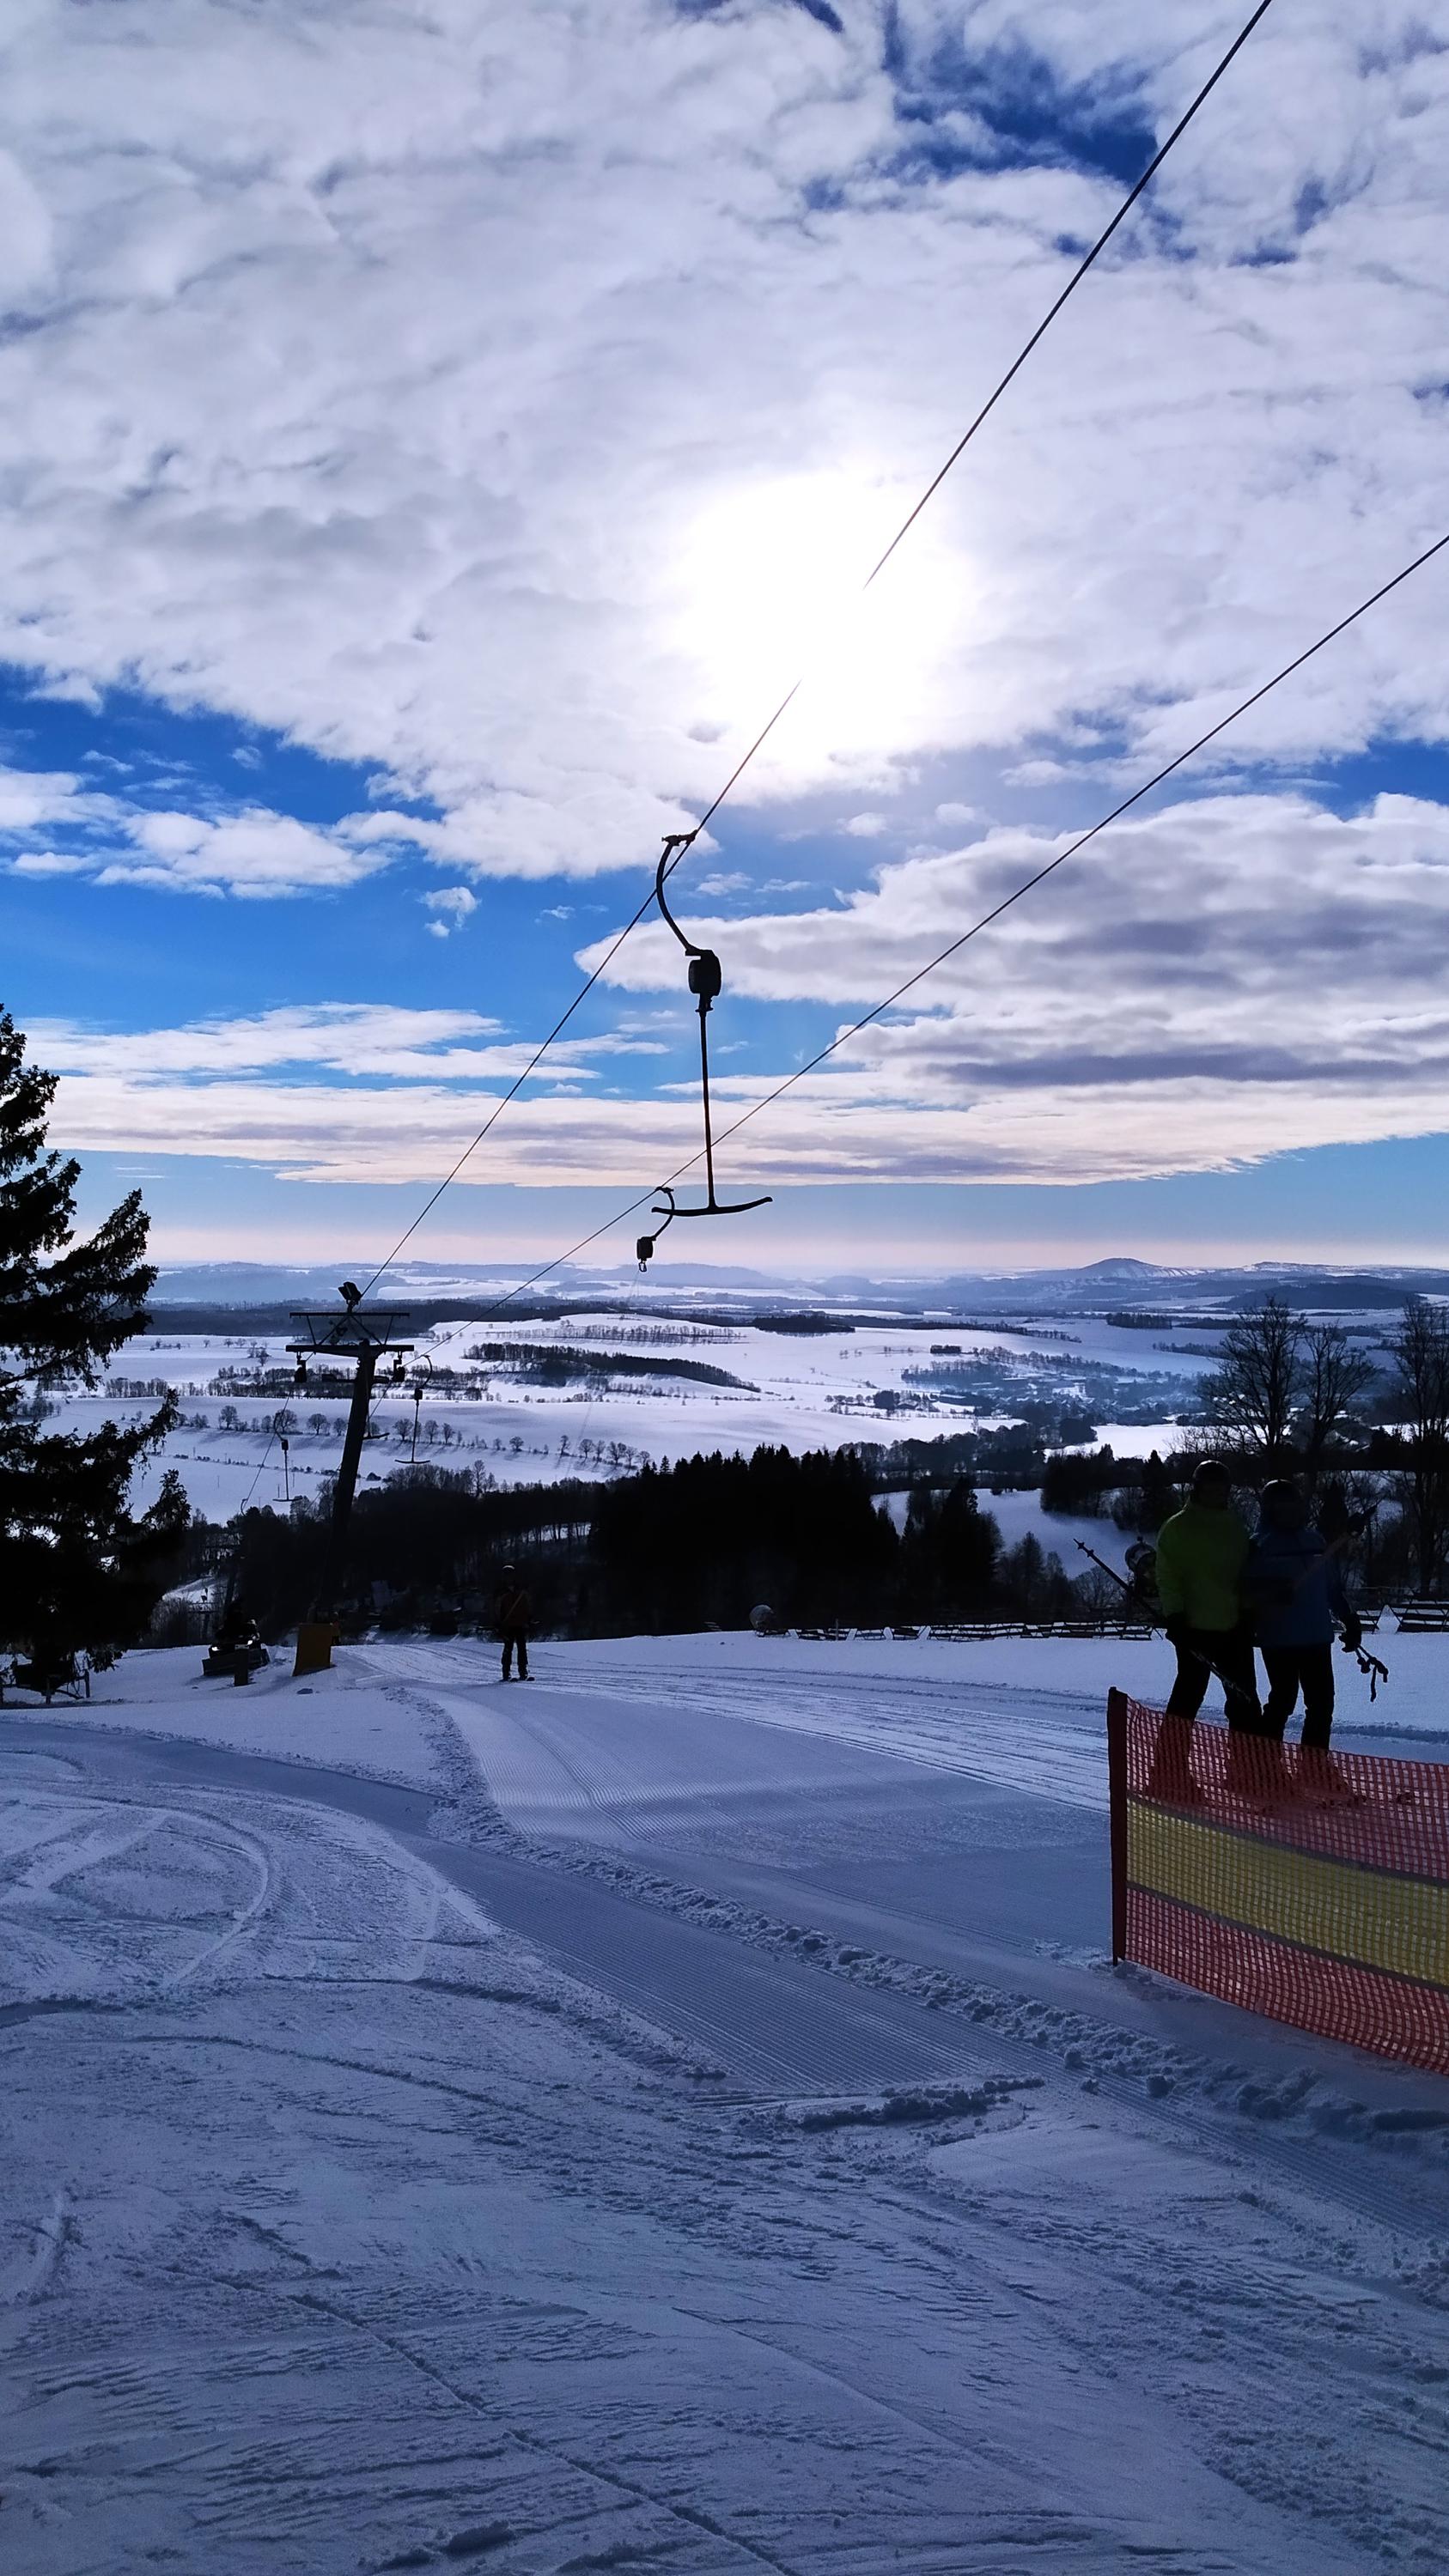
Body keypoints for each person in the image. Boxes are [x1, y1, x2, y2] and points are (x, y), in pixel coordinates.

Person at [1152, 1463, 1261, 1795]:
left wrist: (1247, 1612)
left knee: (1244, 1703)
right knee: (1187, 1701)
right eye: (1210, 1489)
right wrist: (1175, 1617)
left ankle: (1245, 1772)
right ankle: (1168, 1773)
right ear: (1196, 1489)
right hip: (1194, 1629)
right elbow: (1167, 1577)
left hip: (1233, 1626)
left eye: (1222, 1490)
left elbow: (1244, 1574)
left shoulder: (1234, 1526)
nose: (1217, 1495)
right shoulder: (1177, 1528)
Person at [1245, 1480, 1361, 1769]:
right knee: (1283, 1702)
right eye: (1281, 1507)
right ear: (1269, 1510)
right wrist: (1269, 1593)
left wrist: (1349, 1619)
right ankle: (1266, 1766)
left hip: (1316, 1637)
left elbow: (1331, 1588)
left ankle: (1314, 1766)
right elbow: (1243, 1591)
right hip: (1279, 1638)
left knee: (1322, 1705)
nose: (1288, 1512)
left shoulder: (1316, 1541)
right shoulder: (1258, 1546)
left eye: (1293, 1506)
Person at [495, 1563, 532, 1681]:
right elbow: (496, 1608)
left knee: (522, 1648)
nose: (509, 1577)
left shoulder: (521, 1590)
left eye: (510, 1575)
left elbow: (526, 1605)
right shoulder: (500, 1592)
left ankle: (523, 1672)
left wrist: (529, 1618)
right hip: (507, 1625)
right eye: (507, 1575)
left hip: (520, 1623)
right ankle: (506, 1673)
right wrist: (498, 1623)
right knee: (508, 1648)